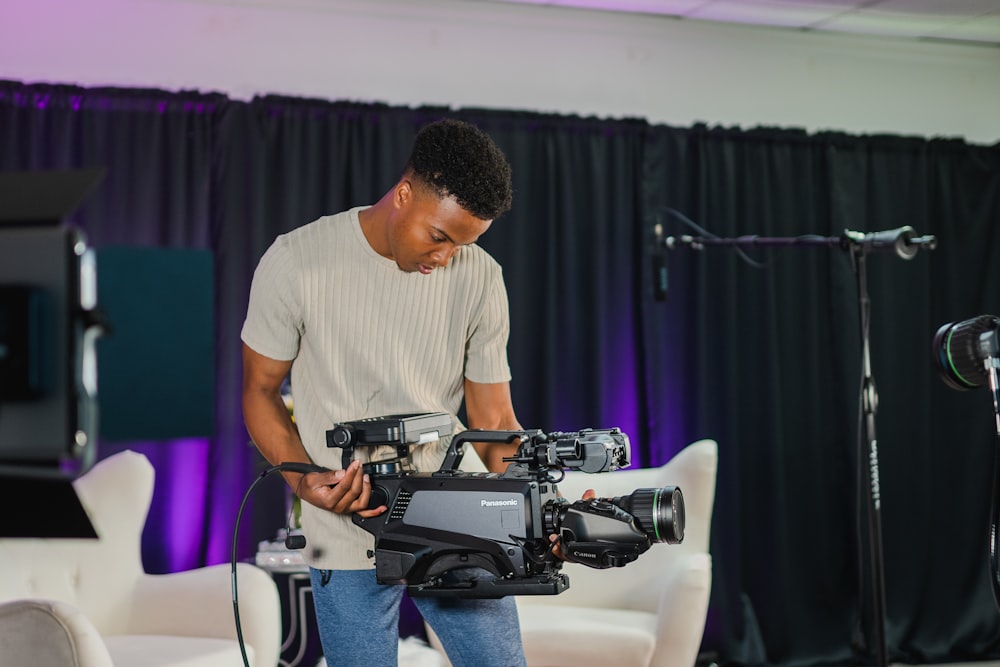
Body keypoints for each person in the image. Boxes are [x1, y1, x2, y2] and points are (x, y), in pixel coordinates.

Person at [241, 118, 529, 667]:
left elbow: (494, 417)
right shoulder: (296, 261)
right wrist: (306, 481)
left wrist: (535, 509)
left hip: (454, 516)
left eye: (463, 244)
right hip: (346, 519)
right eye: (440, 236)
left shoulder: (482, 277)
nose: (446, 257)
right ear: (402, 195)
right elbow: (258, 390)